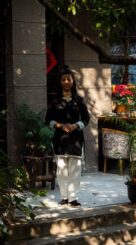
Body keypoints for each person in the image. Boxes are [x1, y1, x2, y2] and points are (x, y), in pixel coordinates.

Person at [45, 65, 90, 207]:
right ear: (60, 82)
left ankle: (73, 198)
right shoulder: (54, 101)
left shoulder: (79, 101)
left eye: (68, 79)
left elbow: (86, 119)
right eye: (63, 79)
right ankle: (64, 197)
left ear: (72, 81)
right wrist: (59, 125)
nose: (66, 82)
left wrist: (75, 126)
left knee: (75, 170)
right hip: (59, 140)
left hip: (75, 140)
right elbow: (48, 120)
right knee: (62, 170)